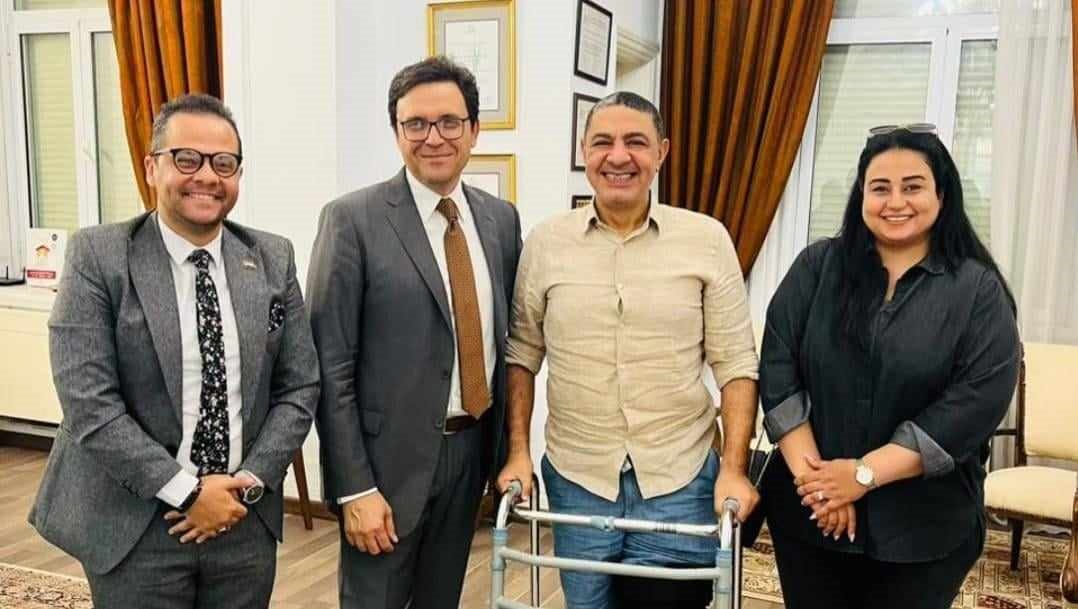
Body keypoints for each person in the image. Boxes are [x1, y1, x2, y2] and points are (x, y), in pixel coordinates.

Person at [29, 93, 321, 609]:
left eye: (223, 163)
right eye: (187, 159)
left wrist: (248, 483)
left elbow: (300, 386)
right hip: (136, 521)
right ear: (151, 167)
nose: (207, 176)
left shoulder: (272, 257)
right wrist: (187, 491)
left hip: (241, 519)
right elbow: (89, 403)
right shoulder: (99, 256)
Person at [496, 92, 760, 609]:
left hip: (680, 477)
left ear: (662, 152)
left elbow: (736, 364)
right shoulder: (546, 243)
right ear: (584, 152)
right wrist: (518, 452)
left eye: (635, 142)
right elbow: (521, 355)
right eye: (603, 142)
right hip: (578, 477)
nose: (619, 156)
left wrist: (733, 467)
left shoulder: (707, 239)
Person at [759, 124, 1020, 609]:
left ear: (942, 195)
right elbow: (778, 368)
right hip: (810, 516)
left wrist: (861, 476)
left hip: (923, 527)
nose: (895, 202)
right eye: (880, 188)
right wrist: (821, 489)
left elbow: (973, 404)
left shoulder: (978, 291)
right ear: (862, 195)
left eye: (913, 186)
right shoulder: (817, 267)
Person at [307, 56, 522, 609]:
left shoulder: (500, 221)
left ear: (474, 130)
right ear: (397, 132)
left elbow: (506, 344)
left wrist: (507, 452)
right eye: (416, 124)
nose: (434, 137)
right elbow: (329, 365)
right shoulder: (351, 220)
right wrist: (354, 487)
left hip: (470, 454)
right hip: (384, 468)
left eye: (449, 122)